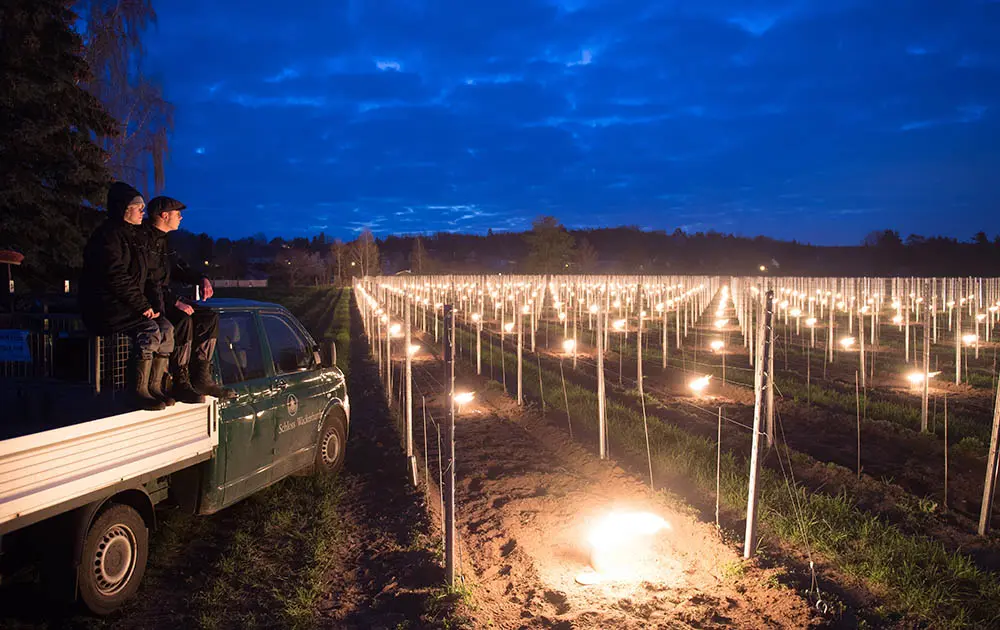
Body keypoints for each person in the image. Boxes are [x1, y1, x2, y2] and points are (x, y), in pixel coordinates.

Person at [79, 182, 175, 411]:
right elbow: (116, 277)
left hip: (127, 304)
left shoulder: (134, 237)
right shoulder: (108, 237)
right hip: (105, 306)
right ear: (124, 209)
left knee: (166, 328)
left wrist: (155, 307)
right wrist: (143, 306)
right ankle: (138, 391)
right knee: (149, 330)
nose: (143, 211)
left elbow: (148, 276)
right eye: (138, 207)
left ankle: (155, 387)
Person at [144, 196, 233, 401]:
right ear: (164, 215)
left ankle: (201, 375)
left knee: (208, 317)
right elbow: (148, 282)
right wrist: (174, 301)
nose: (181, 217)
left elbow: (178, 268)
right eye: (177, 213)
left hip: (164, 298)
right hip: (153, 302)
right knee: (183, 319)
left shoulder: (165, 242)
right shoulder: (146, 243)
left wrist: (201, 278)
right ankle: (179, 379)